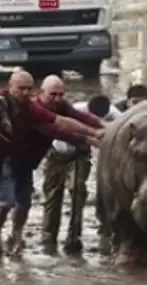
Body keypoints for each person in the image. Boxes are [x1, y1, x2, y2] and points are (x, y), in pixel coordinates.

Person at [0, 71, 103, 257]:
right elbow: (55, 130)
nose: (24, 93)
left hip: (4, 162)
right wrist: (88, 139)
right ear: (10, 86)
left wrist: (97, 130)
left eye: (28, 89)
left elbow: (64, 120)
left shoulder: (32, 109)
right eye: (20, 88)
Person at [43, 91, 119, 254]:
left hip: (80, 154)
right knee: (52, 195)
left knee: (78, 191)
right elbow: (57, 128)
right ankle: (49, 235)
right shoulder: (76, 110)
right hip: (57, 153)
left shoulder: (114, 115)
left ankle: (73, 236)